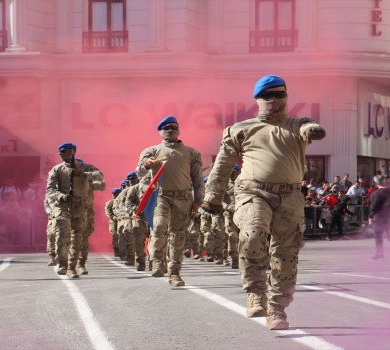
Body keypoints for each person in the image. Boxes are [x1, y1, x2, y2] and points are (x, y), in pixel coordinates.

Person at [202, 75, 326, 330]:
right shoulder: (240, 129)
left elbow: (309, 127)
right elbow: (222, 166)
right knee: (253, 234)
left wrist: (313, 129)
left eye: (279, 95)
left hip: (290, 196)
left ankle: (277, 308)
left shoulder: (297, 125)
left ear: (287, 97)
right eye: (268, 96)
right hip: (252, 192)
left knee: (286, 254)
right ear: (257, 100)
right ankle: (255, 292)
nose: (274, 100)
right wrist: (212, 198)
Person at [136, 115, 204, 287]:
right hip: (160, 196)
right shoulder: (151, 152)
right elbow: (139, 173)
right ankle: (158, 262)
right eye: (166, 128)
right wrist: (146, 166)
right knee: (158, 227)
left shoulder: (191, 153)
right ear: (160, 132)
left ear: (179, 131)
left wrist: (198, 201)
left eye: (173, 127)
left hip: (183, 198)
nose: (170, 130)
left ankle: (175, 273)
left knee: (178, 236)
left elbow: (197, 179)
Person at [45, 143, 101, 278]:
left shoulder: (85, 167)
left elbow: (100, 175)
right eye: (61, 152)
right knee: (63, 234)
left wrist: (83, 175)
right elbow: (50, 189)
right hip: (63, 206)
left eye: (66, 151)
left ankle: (72, 267)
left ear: (74, 152)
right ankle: (63, 263)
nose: (63, 154)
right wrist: (61, 196)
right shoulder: (56, 169)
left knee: (77, 238)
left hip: (80, 206)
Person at [76, 158, 105, 275]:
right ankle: (69, 262)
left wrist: (84, 175)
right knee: (70, 235)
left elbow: (100, 175)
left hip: (86, 208)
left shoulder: (86, 171)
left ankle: (81, 264)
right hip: (70, 208)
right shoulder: (64, 171)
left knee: (84, 235)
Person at [368, 175, 390, 261]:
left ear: (376, 183)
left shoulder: (377, 193)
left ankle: (379, 254)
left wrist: (370, 217)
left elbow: (374, 206)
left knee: (378, 236)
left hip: (380, 217)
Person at [106, 188, 122, 257]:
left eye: (115, 194)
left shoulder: (122, 201)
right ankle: (116, 250)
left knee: (123, 234)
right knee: (114, 234)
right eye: (113, 194)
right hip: (113, 220)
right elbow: (108, 211)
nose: (114, 195)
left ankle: (123, 250)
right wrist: (113, 217)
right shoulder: (110, 202)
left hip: (121, 219)